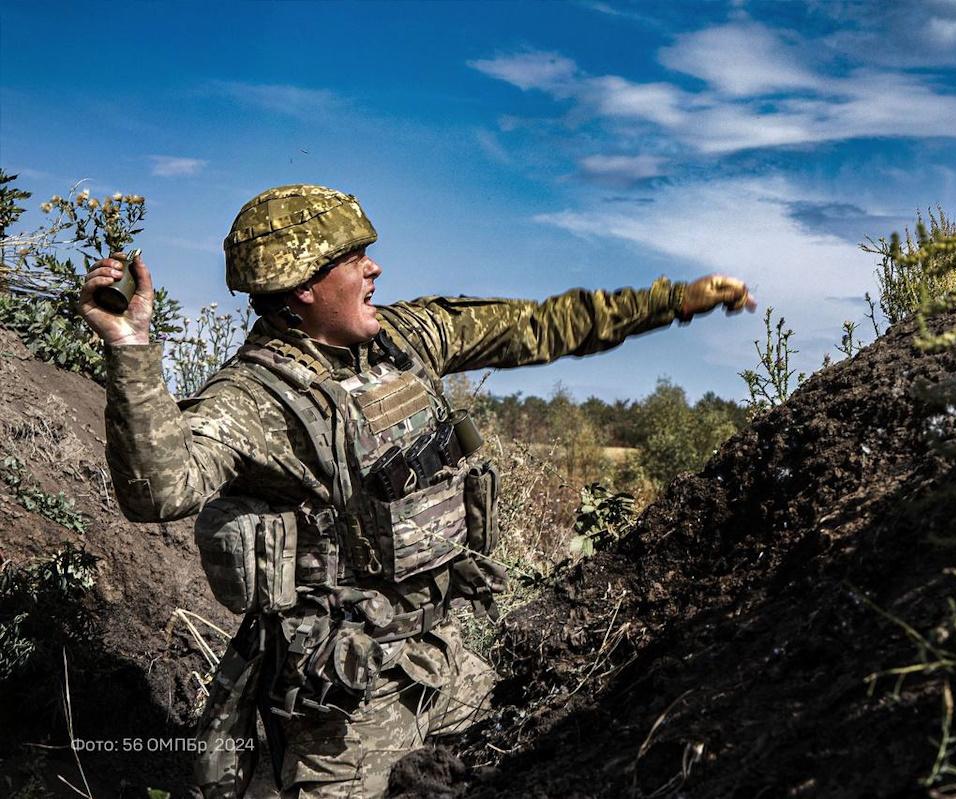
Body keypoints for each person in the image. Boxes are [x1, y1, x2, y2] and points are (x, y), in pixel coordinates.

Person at [81, 184, 755, 799]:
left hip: (446, 665)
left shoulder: (408, 337)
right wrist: (130, 347)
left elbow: (539, 327)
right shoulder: (254, 398)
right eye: (354, 259)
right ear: (303, 288)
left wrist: (676, 300)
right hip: (344, 711)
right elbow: (159, 489)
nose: (374, 269)